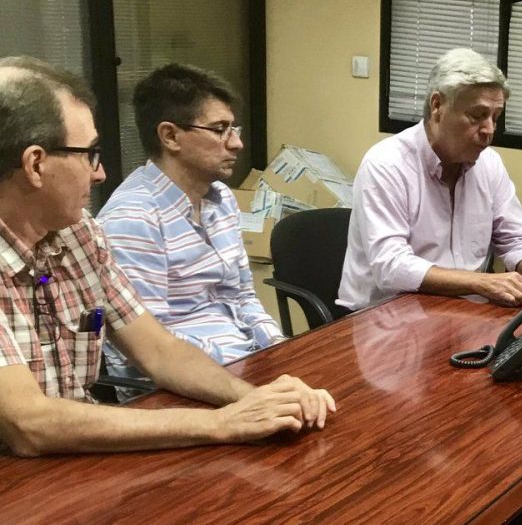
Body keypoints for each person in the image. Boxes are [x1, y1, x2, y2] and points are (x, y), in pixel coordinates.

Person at [0, 56, 334, 456]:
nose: (100, 173)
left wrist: (252, 398)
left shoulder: (78, 234)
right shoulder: (126, 216)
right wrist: (221, 423)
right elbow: (28, 425)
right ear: (35, 164)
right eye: (89, 153)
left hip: (79, 453)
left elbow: (159, 350)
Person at [338, 48, 522, 311]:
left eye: (495, 117)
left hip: (460, 313)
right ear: (437, 106)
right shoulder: (386, 164)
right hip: (383, 317)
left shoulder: (489, 164)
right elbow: (391, 266)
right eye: (477, 116)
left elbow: (516, 239)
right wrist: (480, 282)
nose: (489, 130)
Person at [97, 64, 282, 391]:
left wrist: (281, 351)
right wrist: (245, 374)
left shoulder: (221, 199)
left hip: (242, 365)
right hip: (178, 388)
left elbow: (242, 297)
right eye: (220, 129)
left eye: (234, 128)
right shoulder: (133, 218)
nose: (236, 143)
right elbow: (152, 348)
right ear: (170, 136)